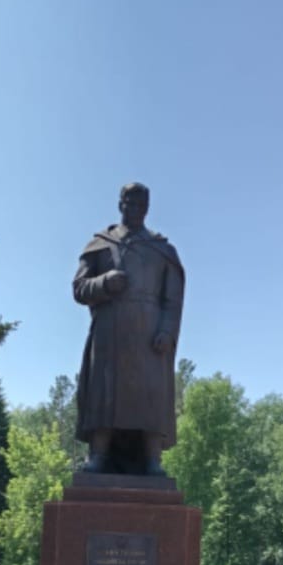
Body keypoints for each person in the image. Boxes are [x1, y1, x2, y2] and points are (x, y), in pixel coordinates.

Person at [73, 182, 184, 475]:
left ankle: (152, 459)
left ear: (147, 209)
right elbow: (79, 288)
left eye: (141, 205)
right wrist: (105, 282)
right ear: (120, 204)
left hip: (149, 334)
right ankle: (98, 455)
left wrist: (167, 332)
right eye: (130, 203)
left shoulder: (162, 250)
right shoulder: (101, 244)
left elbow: (173, 301)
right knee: (104, 393)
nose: (135, 210)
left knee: (151, 395)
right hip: (109, 332)